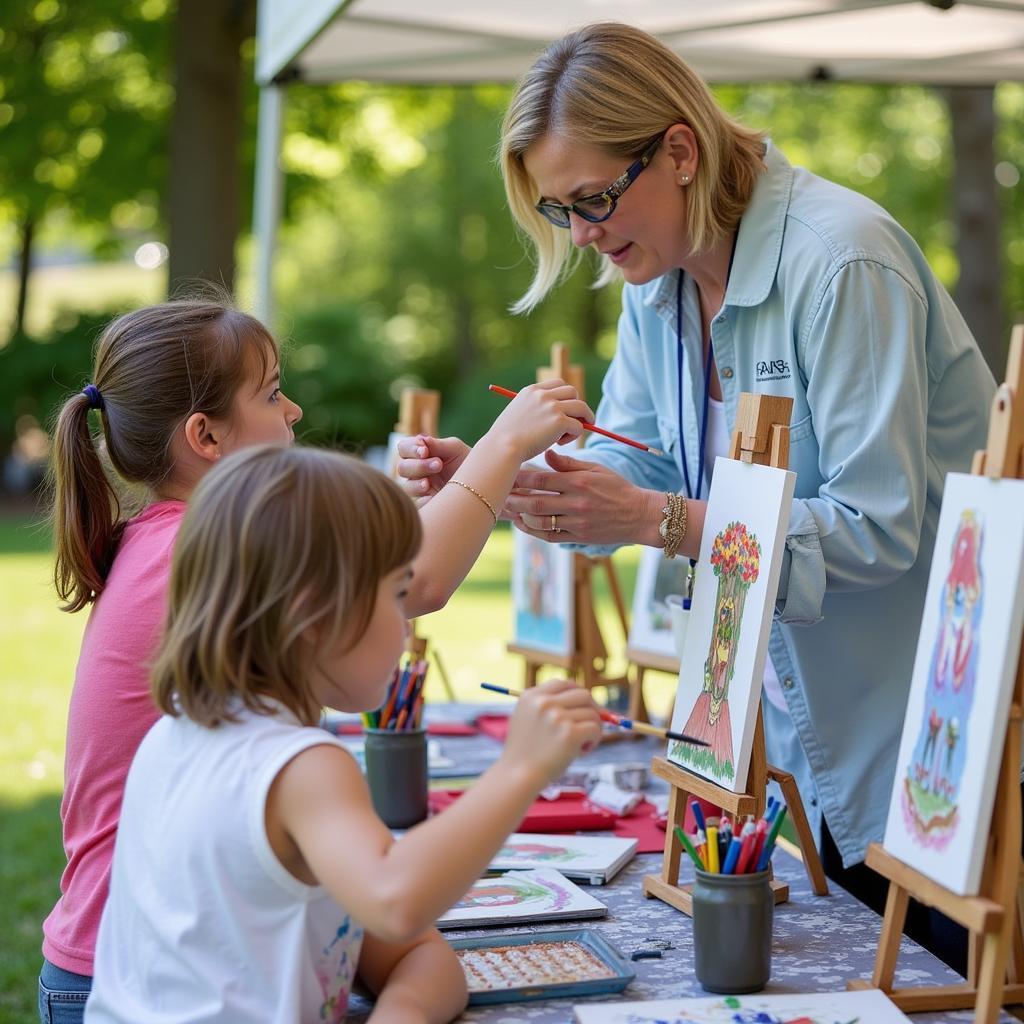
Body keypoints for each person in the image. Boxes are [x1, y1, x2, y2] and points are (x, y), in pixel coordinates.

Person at [397, 22, 997, 970]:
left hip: (915, 751)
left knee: (940, 985)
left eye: (593, 198)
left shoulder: (844, 261)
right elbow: (644, 482)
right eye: (561, 212)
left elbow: (879, 532)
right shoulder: (656, 279)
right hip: (777, 743)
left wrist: (653, 521)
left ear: (679, 149)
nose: (586, 234)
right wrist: (502, 483)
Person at [40, 297, 591, 1022]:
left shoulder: (189, 551)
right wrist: (500, 449)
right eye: (270, 394)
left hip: (162, 944)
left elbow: (405, 949)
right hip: (149, 952)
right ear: (203, 435)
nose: (294, 410)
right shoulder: (192, 554)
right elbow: (422, 578)